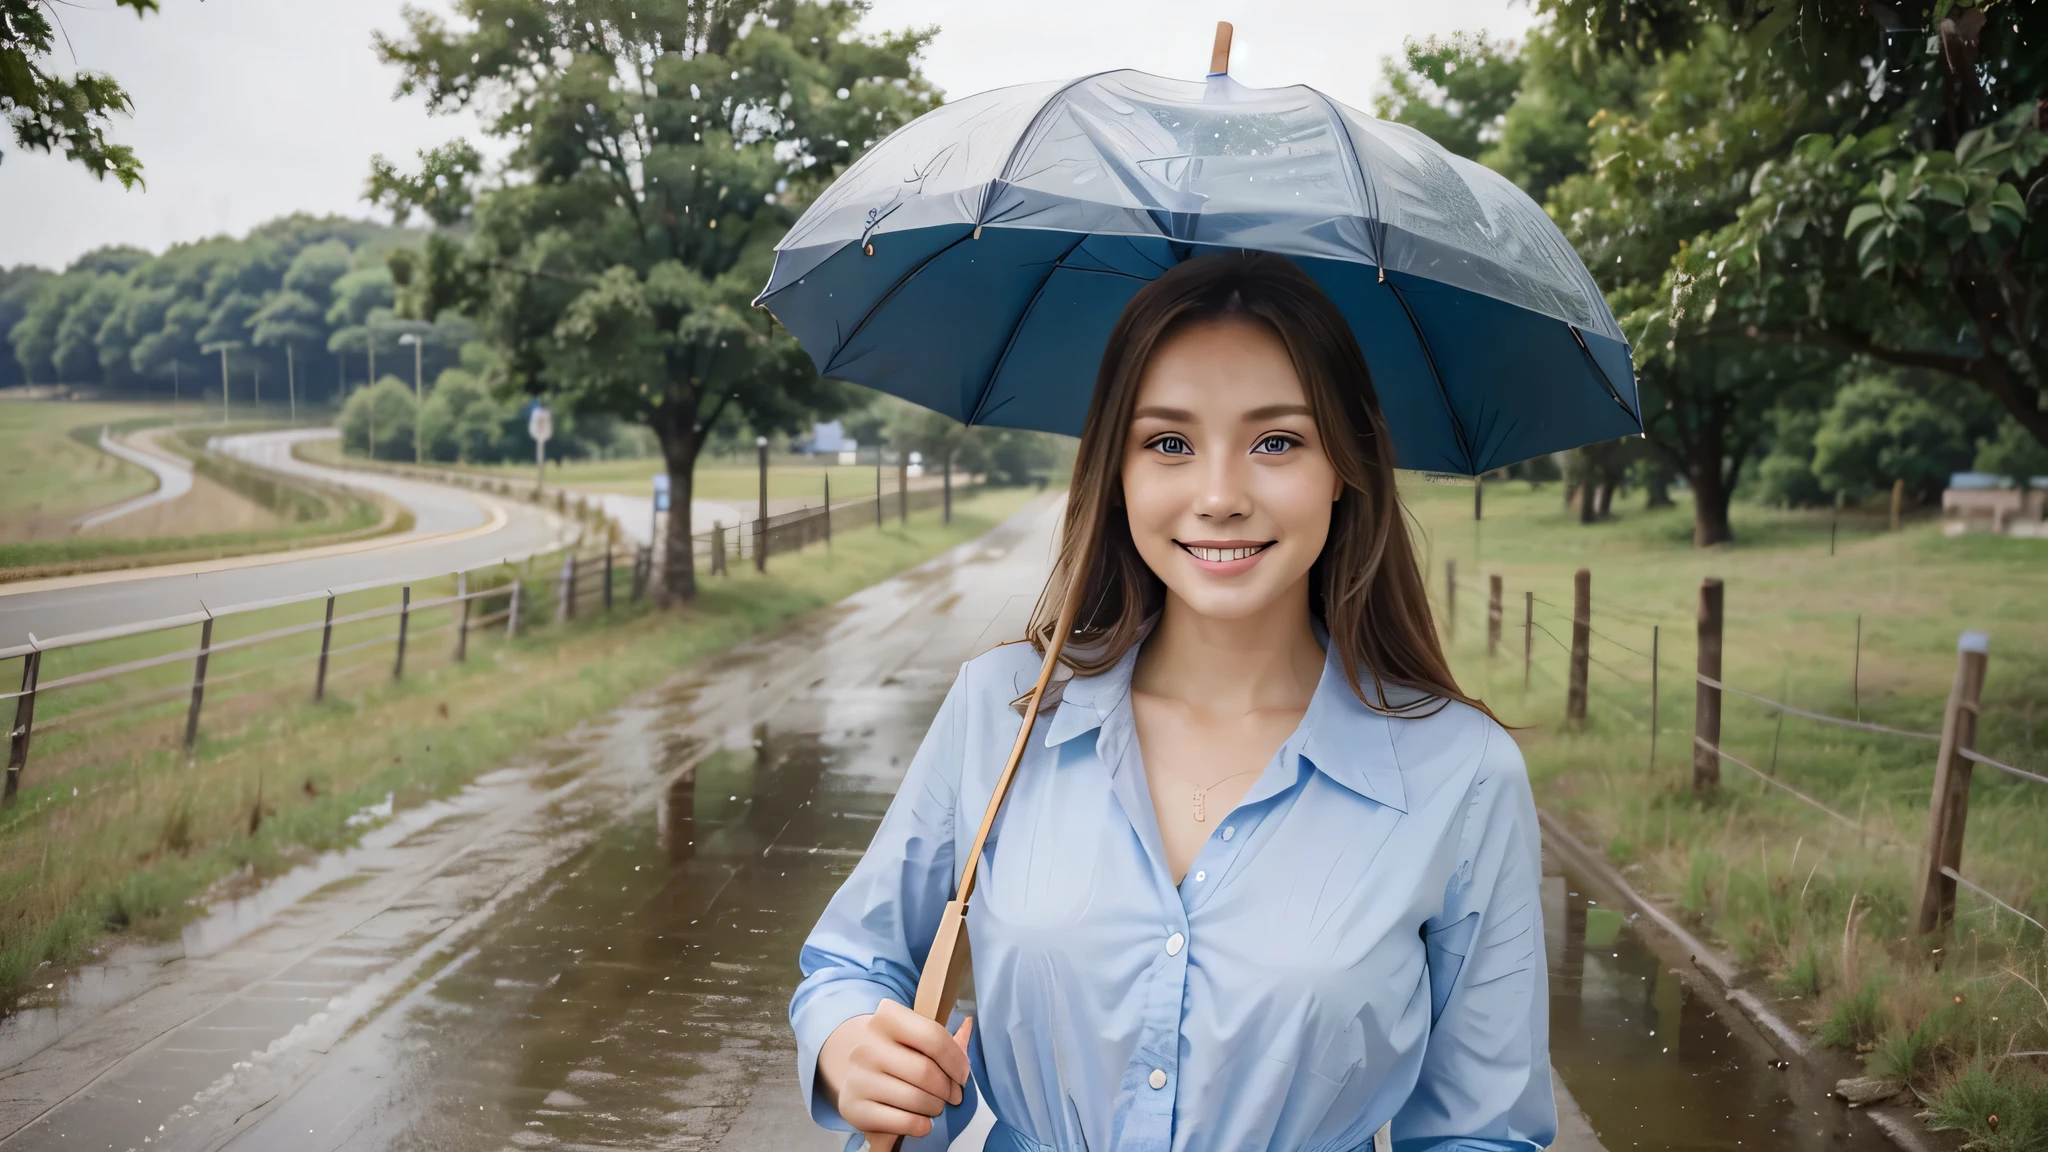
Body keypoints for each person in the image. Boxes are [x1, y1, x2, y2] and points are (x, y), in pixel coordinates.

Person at [790, 252, 1552, 1152]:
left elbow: (1482, 1132)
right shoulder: (1004, 711)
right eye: (1169, 443)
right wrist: (851, 1049)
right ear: (1116, 470)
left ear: (1345, 465)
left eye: (1278, 441)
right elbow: (854, 961)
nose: (1221, 496)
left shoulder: (1459, 774)